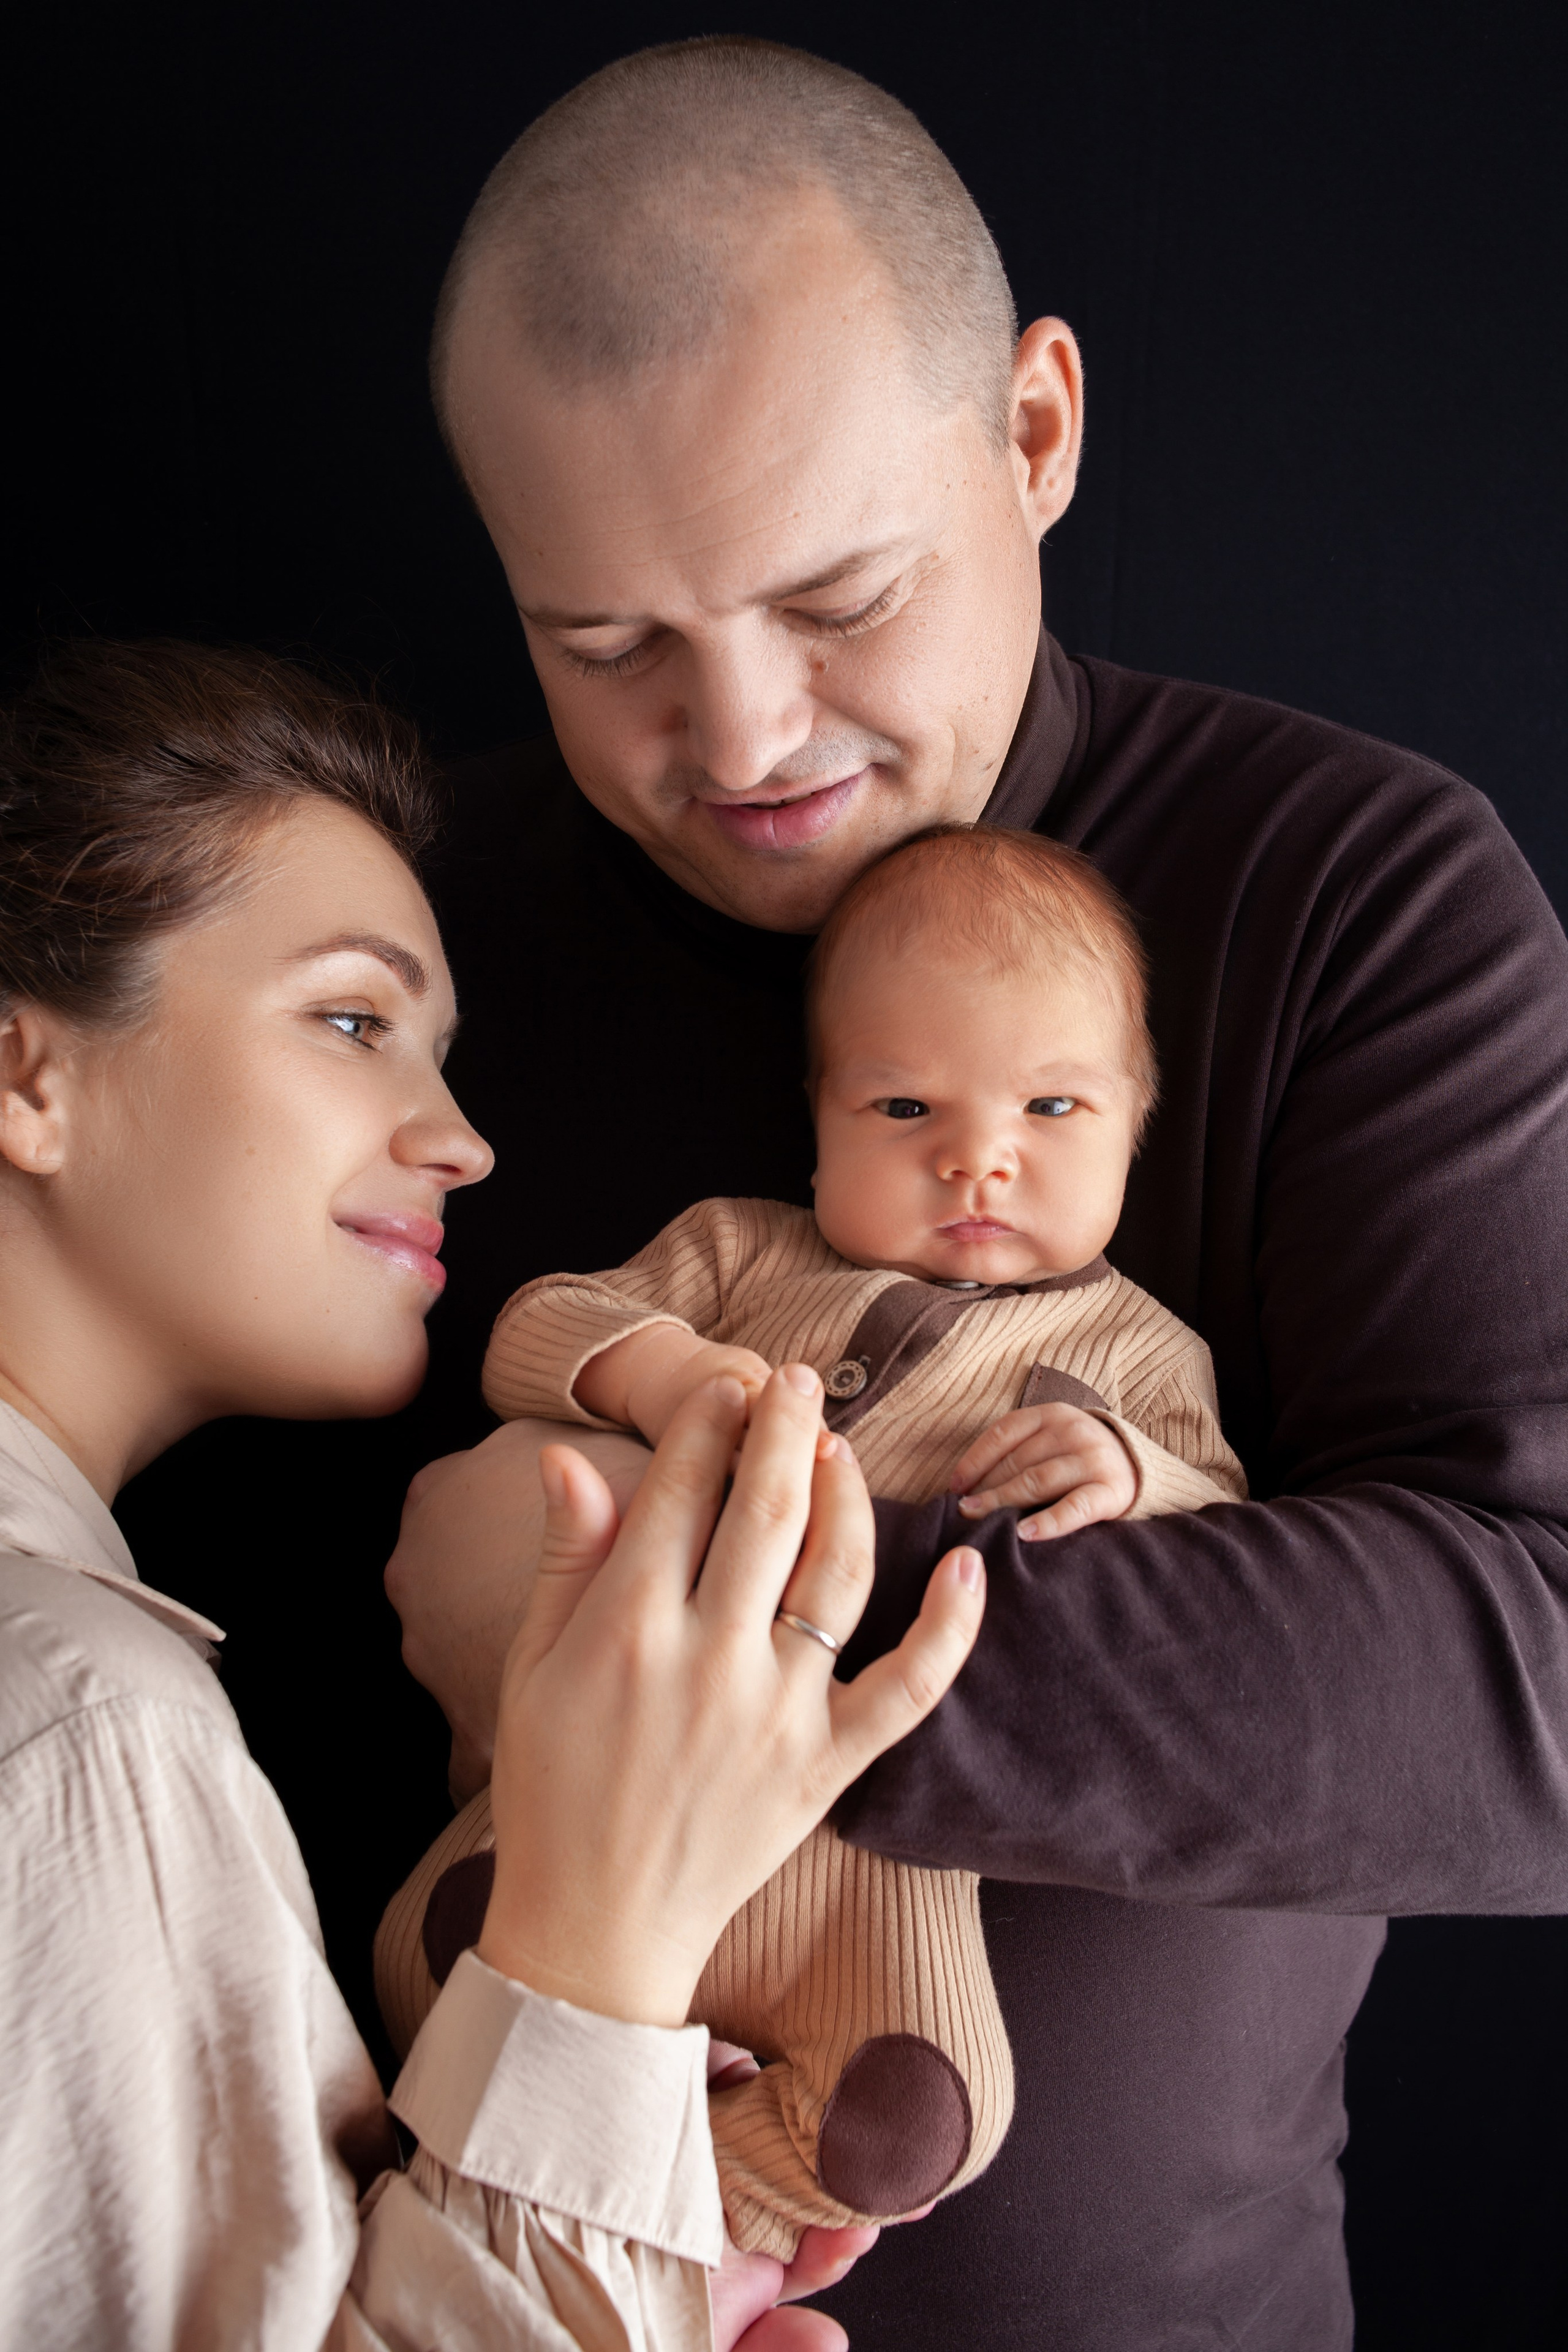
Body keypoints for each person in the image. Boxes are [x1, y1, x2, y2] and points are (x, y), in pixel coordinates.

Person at [383, 34, 1568, 2350]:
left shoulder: (1353, 894)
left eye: (839, 596)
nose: (734, 744)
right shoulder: (405, 933)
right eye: (603, 642)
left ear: (1035, 434)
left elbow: (1529, 1674)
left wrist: (655, 1623)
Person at [0, 638, 984, 2351]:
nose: (460, 1139)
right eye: (354, 1021)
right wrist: (600, 1936)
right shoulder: (82, 1727)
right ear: (28, 1076)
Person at [375, 822, 1247, 2259]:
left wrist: (1130, 1469)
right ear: (819, 1112)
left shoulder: (1138, 1350)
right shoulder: (744, 1255)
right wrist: (661, 1373)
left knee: (915, 2119)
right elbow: (534, 1327)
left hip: (875, 1850)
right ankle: (578, 2164)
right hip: (611, 1778)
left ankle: (673, 2208)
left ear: (1136, 1116)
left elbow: (1223, 1529)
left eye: (1050, 1109)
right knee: (424, 1970)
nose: (979, 1160)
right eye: (905, 1109)